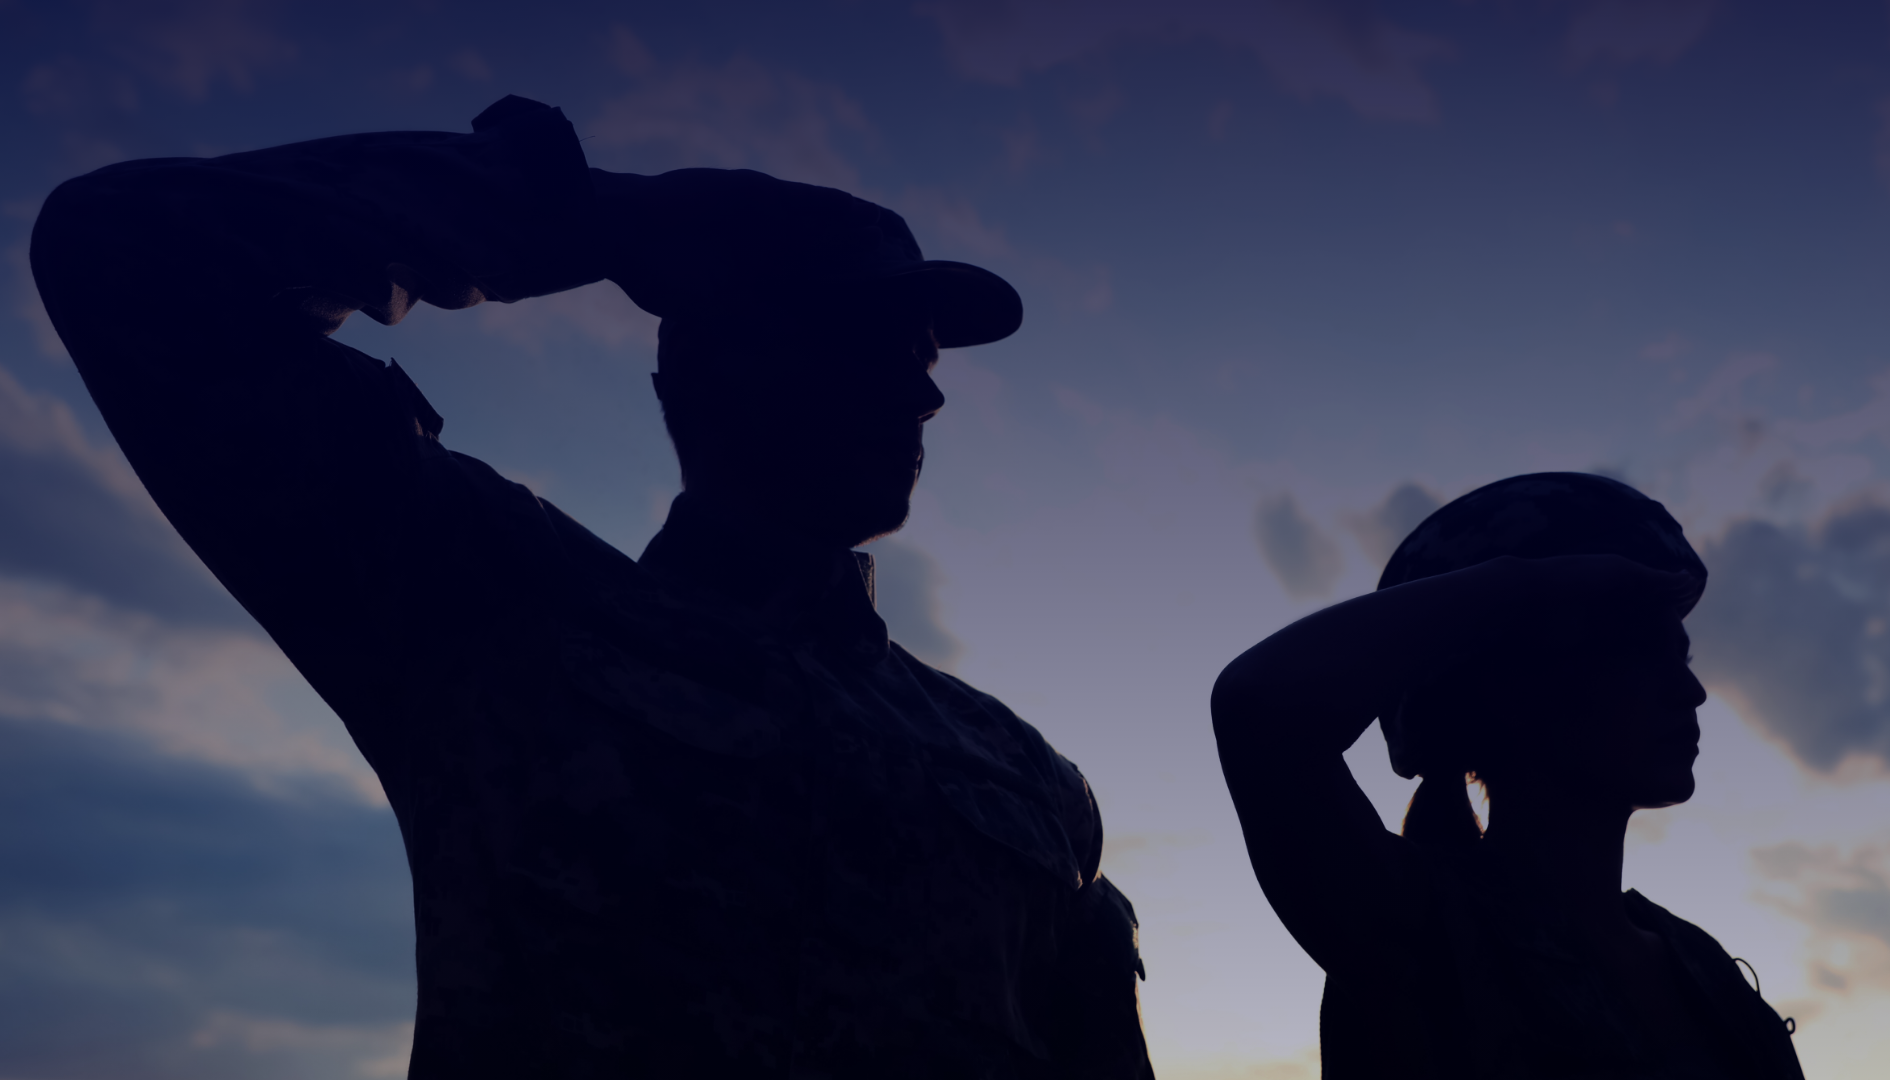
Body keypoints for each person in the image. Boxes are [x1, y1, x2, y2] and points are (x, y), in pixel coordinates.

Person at [30, 95, 1152, 1079]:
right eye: (865, 344)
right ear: (710, 368)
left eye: (924, 362)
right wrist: (578, 215)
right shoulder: (491, 612)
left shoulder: (1026, 776)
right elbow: (123, 247)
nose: (923, 401)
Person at [1210, 473, 1804, 1079]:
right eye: (1633, 653)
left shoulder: (1699, 965)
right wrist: (1530, 585)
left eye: (1680, 658)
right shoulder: (1415, 926)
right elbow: (1259, 707)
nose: (1690, 691)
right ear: (1499, 695)